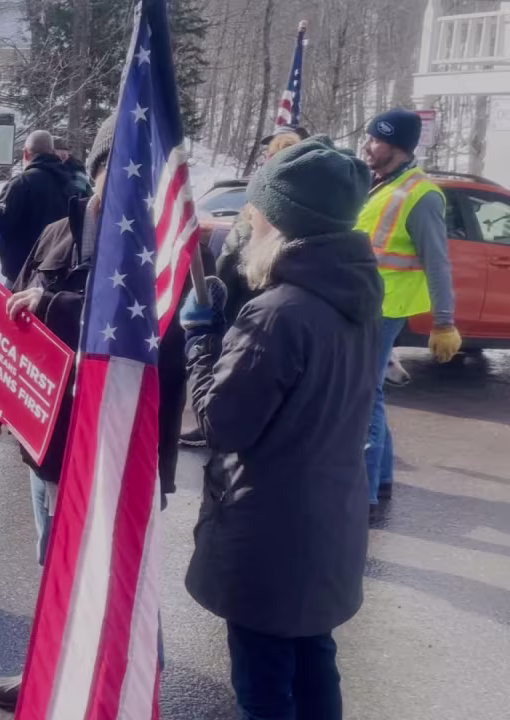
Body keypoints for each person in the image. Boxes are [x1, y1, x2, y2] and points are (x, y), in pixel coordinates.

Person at [0, 116, 186, 710]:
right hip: (48, 444)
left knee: (122, 579)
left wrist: (55, 304)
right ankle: (54, 668)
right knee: (56, 563)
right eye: (110, 174)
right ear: (92, 174)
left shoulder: (162, 255)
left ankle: (137, 691)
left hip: (118, 450)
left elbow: (146, 334)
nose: (121, 189)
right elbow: (5, 318)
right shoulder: (56, 235)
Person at [179, 136, 380, 719]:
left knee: (264, 685)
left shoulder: (278, 313)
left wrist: (200, 340)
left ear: (284, 224)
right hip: (327, 523)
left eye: (257, 213)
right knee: (315, 662)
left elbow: (221, 423)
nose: (249, 222)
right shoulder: (355, 295)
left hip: (271, 534)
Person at [357, 108, 460, 511]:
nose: (368, 145)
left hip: (384, 309)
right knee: (373, 395)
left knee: (364, 398)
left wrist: (444, 321)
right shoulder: (380, 183)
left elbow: (438, 261)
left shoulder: (421, 194)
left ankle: (362, 494)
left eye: (376, 140)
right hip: (367, 303)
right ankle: (380, 481)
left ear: (398, 147)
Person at [180, 125, 308, 448]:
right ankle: (206, 417)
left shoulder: (282, 205)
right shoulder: (259, 194)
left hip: (251, 291)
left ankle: (210, 418)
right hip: (239, 286)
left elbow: (243, 251)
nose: (267, 160)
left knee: (233, 369)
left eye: (274, 155)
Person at [0, 129, 75, 284]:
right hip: (55, 267)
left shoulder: (22, 182)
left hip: (22, 269)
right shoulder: (68, 183)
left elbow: (2, 219)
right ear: (52, 152)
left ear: (25, 154)